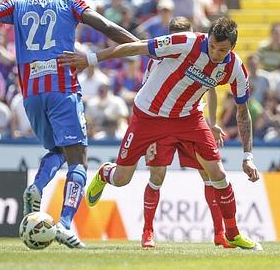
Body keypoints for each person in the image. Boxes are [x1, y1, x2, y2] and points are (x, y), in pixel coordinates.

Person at [0, 0, 138, 249]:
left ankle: (36, 187)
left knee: (56, 151)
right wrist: (141, 46)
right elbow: (106, 26)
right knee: (78, 158)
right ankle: (65, 224)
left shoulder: (18, 4)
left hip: (31, 94)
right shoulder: (69, 2)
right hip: (62, 89)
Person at [58, 17, 262, 250]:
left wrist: (247, 155)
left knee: (217, 172)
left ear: (232, 48)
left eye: (222, 50)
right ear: (207, 37)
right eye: (212, 46)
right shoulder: (186, 42)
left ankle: (232, 233)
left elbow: (242, 112)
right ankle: (106, 173)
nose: (215, 53)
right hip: (149, 115)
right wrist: (91, 59)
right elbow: (136, 47)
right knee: (122, 179)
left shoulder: (235, 67)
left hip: (188, 118)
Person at [138, 16, 231, 248]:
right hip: (162, 122)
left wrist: (212, 122)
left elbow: (210, 89)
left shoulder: (202, 56)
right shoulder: (157, 60)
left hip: (190, 122)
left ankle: (219, 233)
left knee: (210, 175)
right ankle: (147, 231)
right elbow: (147, 90)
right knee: (157, 175)